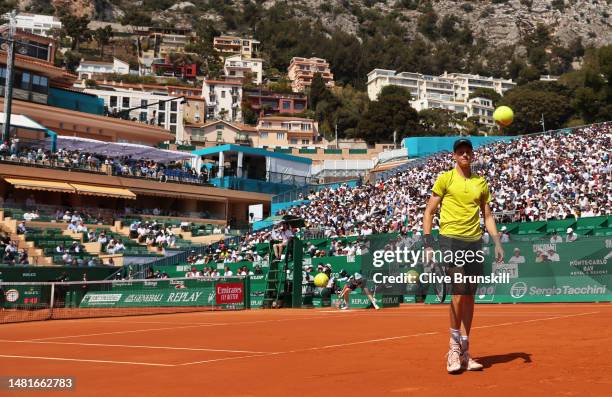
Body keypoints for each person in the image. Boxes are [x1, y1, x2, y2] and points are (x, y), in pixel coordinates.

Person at [423, 138, 504, 374]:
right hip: (450, 240)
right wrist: (428, 244)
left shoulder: (481, 183)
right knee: (459, 293)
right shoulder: (445, 178)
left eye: (468, 151)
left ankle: (466, 350)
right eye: (461, 151)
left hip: (474, 242)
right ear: (454, 156)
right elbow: (429, 212)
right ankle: (453, 349)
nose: (465, 154)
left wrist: (497, 241)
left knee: (469, 296)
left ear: (472, 155)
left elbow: (487, 216)